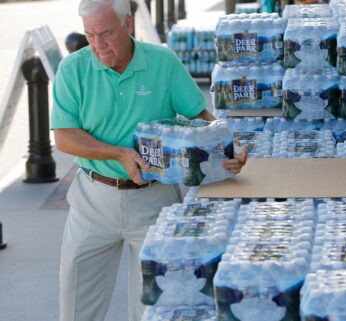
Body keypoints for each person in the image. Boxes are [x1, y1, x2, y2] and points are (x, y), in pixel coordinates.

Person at [51, 0, 248, 320]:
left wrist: (230, 145)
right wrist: (119, 153)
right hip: (92, 202)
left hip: (156, 201)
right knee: (75, 305)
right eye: (89, 35)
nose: (98, 45)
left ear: (128, 24)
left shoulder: (162, 61)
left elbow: (200, 115)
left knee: (154, 307)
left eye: (106, 33)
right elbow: (64, 137)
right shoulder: (72, 69)